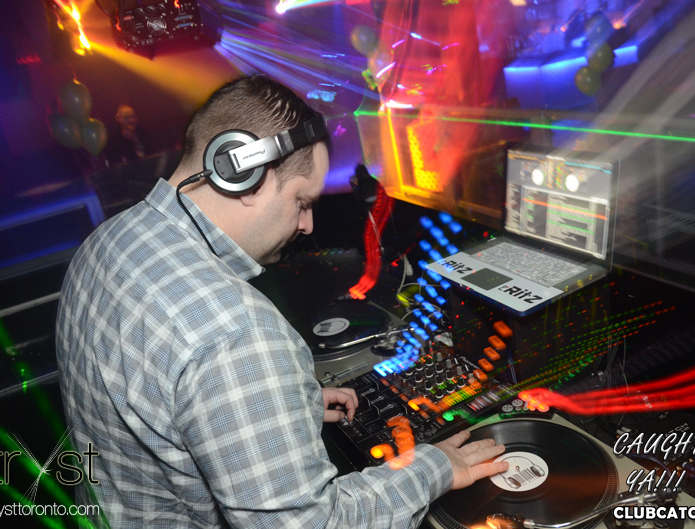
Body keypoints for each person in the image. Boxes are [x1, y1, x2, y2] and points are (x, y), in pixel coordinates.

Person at [56, 75, 508, 528]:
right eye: (302, 202)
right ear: (243, 173)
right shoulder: (239, 333)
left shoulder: (106, 242)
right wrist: (434, 467)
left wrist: (281, 404)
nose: (307, 225)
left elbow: (154, 395)